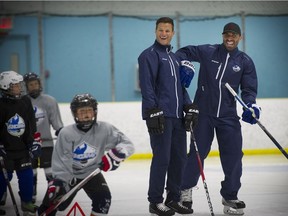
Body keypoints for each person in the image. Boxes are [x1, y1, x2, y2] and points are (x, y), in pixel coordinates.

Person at [176, 22, 261, 215]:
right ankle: (185, 192)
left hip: (228, 116)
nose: (230, 38)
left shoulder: (245, 61)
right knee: (197, 154)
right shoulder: (208, 51)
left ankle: (230, 197)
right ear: (223, 36)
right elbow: (183, 52)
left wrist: (251, 105)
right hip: (204, 113)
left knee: (233, 157)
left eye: (234, 35)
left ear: (240, 38)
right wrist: (185, 63)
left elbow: (248, 90)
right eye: (227, 34)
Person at [138, 17, 198, 216]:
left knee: (179, 159)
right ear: (155, 32)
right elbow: (147, 86)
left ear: (173, 33)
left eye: (167, 30)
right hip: (160, 116)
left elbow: (181, 87)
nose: (164, 33)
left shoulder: (175, 58)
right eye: (160, 30)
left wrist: (188, 106)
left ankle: (173, 199)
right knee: (162, 159)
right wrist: (151, 111)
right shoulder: (149, 55)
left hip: (177, 117)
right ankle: (155, 202)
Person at [37, 93, 135, 216]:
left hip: (92, 173)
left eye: (89, 110)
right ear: (75, 114)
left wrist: (116, 155)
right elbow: (62, 161)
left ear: (95, 112)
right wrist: (60, 182)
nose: (86, 114)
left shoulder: (104, 129)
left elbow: (128, 144)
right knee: (52, 203)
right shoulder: (66, 133)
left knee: (103, 200)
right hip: (70, 175)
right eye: (82, 111)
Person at [0, 70, 41, 215]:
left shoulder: (25, 101)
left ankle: (26, 203)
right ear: (6, 87)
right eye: (15, 85)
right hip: (7, 151)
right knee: (3, 177)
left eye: (19, 85)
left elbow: (31, 124)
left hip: (23, 149)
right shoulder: (1, 105)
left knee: (27, 176)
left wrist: (33, 142)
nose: (19, 87)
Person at [23, 72, 64, 203]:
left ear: (40, 84)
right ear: (26, 86)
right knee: (31, 172)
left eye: (36, 84)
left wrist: (60, 131)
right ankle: (31, 194)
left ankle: (51, 194)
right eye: (31, 85)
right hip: (28, 144)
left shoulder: (49, 101)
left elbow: (56, 121)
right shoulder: (22, 102)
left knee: (50, 171)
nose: (34, 87)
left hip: (46, 143)